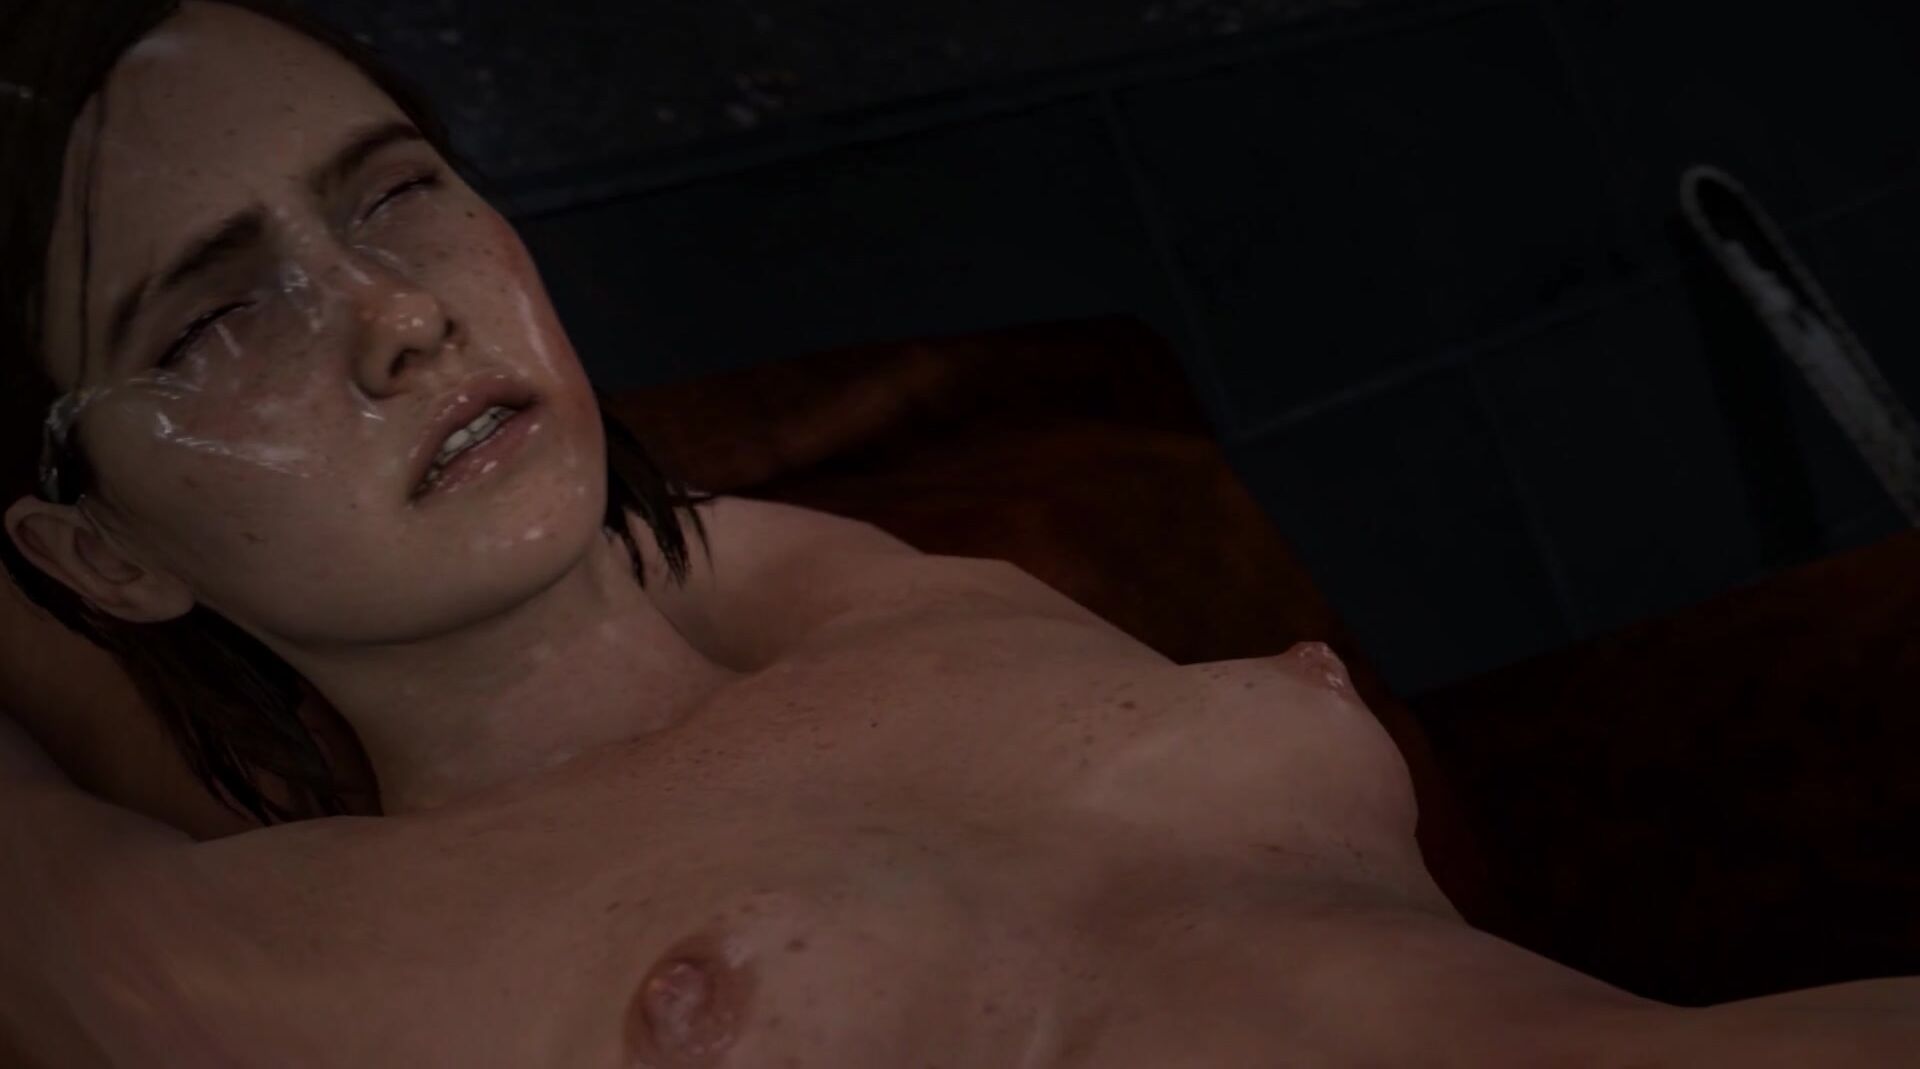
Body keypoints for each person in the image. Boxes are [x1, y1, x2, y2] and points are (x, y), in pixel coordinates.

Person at [1, 1, 1914, 1065]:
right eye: (213, 315)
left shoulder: (843, 591)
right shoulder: (276, 962)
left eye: (395, 191)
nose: (398, 314)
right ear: (101, 557)